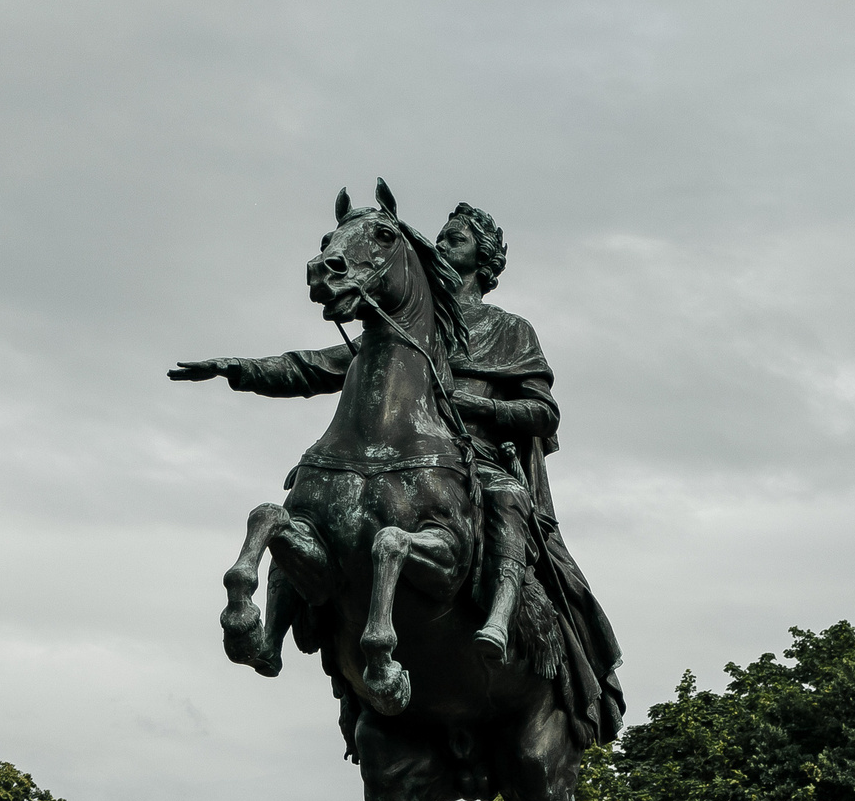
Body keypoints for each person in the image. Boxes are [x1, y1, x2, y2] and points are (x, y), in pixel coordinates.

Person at [170, 203, 625, 747]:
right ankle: (273, 634)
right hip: (385, 461)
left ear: (484, 259)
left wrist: (481, 409)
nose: (443, 245)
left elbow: (544, 412)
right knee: (306, 502)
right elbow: (311, 366)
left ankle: (498, 622)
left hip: (473, 461)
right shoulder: (397, 330)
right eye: (443, 237)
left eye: (456, 239)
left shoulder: (507, 330)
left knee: (506, 500)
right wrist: (236, 369)